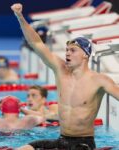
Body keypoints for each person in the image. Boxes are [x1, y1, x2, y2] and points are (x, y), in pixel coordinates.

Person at [11, 3, 119, 150]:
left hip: (83, 144)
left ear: (85, 56)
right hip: (61, 140)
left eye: (73, 50)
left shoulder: (99, 80)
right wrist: (20, 17)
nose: (67, 53)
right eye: (67, 50)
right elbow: (36, 42)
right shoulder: (60, 70)